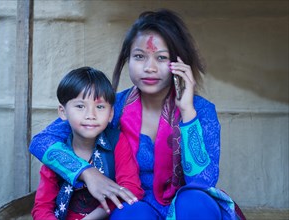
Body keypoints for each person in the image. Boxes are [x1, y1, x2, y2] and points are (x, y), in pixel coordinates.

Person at [30, 9, 246, 220]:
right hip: (135, 205)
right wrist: (87, 173)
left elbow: (202, 181)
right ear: (128, 60)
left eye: (161, 58)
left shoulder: (201, 110)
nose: (149, 68)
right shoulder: (111, 108)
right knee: (131, 211)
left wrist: (187, 111)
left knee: (195, 201)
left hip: (188, 208)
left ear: (179, 64)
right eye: (139, 56)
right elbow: (41, 141)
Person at [31, 67, 144, 220]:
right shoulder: (57, 151)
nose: (90, 115)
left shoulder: (117, 141)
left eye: (100, 107)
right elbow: (42, 208)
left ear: (111, 114)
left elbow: (131, 190)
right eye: (80, 106)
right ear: (63, 112)